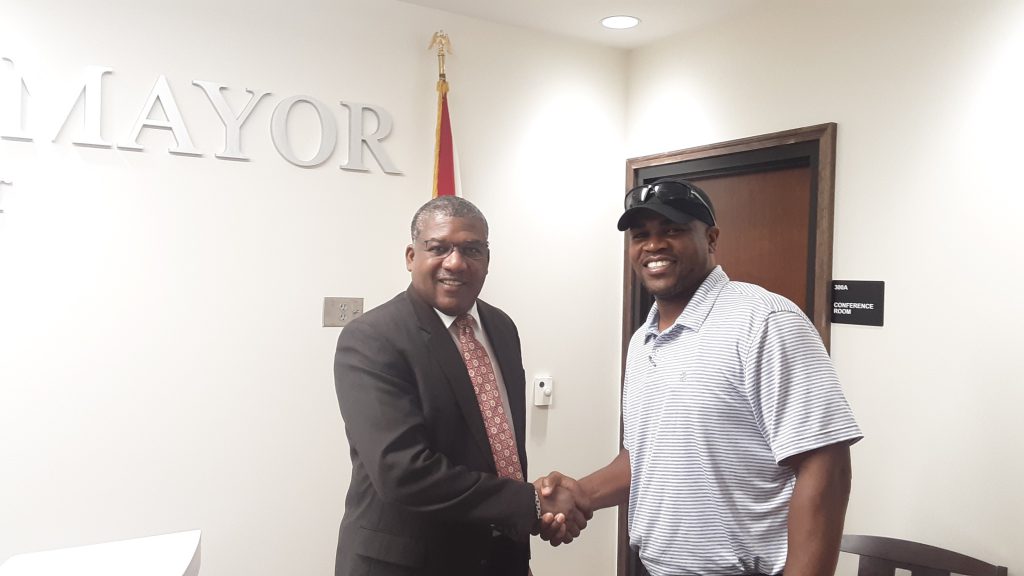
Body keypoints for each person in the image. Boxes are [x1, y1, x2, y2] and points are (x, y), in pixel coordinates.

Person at [540, 177, 863, 576]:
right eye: (641, 235)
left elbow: (825, 464)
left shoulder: (765, 321)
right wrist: (581, 493)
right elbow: (646, 456)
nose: (653, 245)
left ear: (711, 239)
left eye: (672, 230)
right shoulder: (642, 341)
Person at [333, 195, 589, 576]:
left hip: (502, 558)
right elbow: (402, 471)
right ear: (410, 256)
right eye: (438, 248)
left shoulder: (501, 327)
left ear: (488, 259)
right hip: (409, 563)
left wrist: (530, 509)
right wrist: (530, 504)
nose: (455, 262)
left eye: (472, 249)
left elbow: (497, 448)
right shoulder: (372, 338)